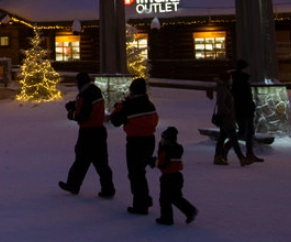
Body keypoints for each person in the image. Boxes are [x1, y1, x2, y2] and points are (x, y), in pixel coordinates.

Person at [58, 72, 115, 198]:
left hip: (88, 132)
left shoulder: (84, 94)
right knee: (101, 162)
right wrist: (75, 104)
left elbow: (82, 115)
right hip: (99, 131)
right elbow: (89, 107)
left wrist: (71, 113)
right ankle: (108, 189)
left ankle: (73, 185)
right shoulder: (95, 90)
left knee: (81, 160)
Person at [109, 77, 159, 215]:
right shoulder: (150, 105)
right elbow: (155, 121)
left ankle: (141, 204)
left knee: (135, 173)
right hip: (150, 140)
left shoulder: (128, 106)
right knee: (140, 171)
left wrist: (119, 107)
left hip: (135, 142)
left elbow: (115, 121)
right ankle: (144, 199)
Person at [153, 126, 197, 226]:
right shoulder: (177, 149)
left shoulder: (165, 151)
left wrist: (153, 161)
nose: (161, 141)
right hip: (177, 177)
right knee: (176, 197)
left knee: (165, 199)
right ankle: (190, 211)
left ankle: (166, 218)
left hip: (168, 178)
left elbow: (162, 164)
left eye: (163, 139)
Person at [231, 59, 264, 164]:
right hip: (242, 110)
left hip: (247, 110)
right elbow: (240, 97)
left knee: (250, 132)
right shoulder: (239, 81)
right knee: (242, 132)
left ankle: (250, 153)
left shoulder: (244, 80)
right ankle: (226, 148)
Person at [213, 71, 246, 165]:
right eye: (230, 78)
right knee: (234, 138)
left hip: (225, 118)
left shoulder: (223, 88)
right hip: (226, 119)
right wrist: (228, 113)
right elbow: (221, 103)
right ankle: (241, 158)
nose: (231, 80)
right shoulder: (223, 89)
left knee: (222, 137)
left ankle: (218, 156)